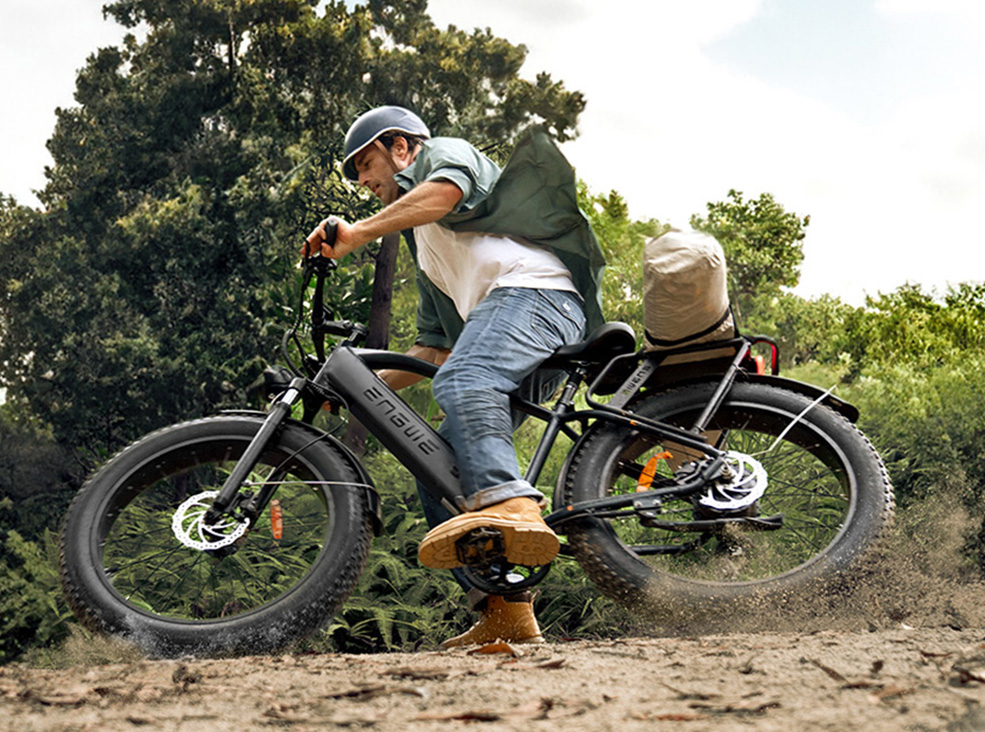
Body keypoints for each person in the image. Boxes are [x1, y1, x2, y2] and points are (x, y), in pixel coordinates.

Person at [306, 106, 606, 647]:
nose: (363, 181)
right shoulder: (428, 251)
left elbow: (444, 193)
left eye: (366, 164)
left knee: (465, 382)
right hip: (512, 322)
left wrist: (356, 234)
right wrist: (354, 391)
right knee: (438, 467)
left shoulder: (443, 154)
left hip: (537, 295)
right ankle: (505, 611)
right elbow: (435, 349)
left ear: (401, 147)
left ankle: (513, 505)